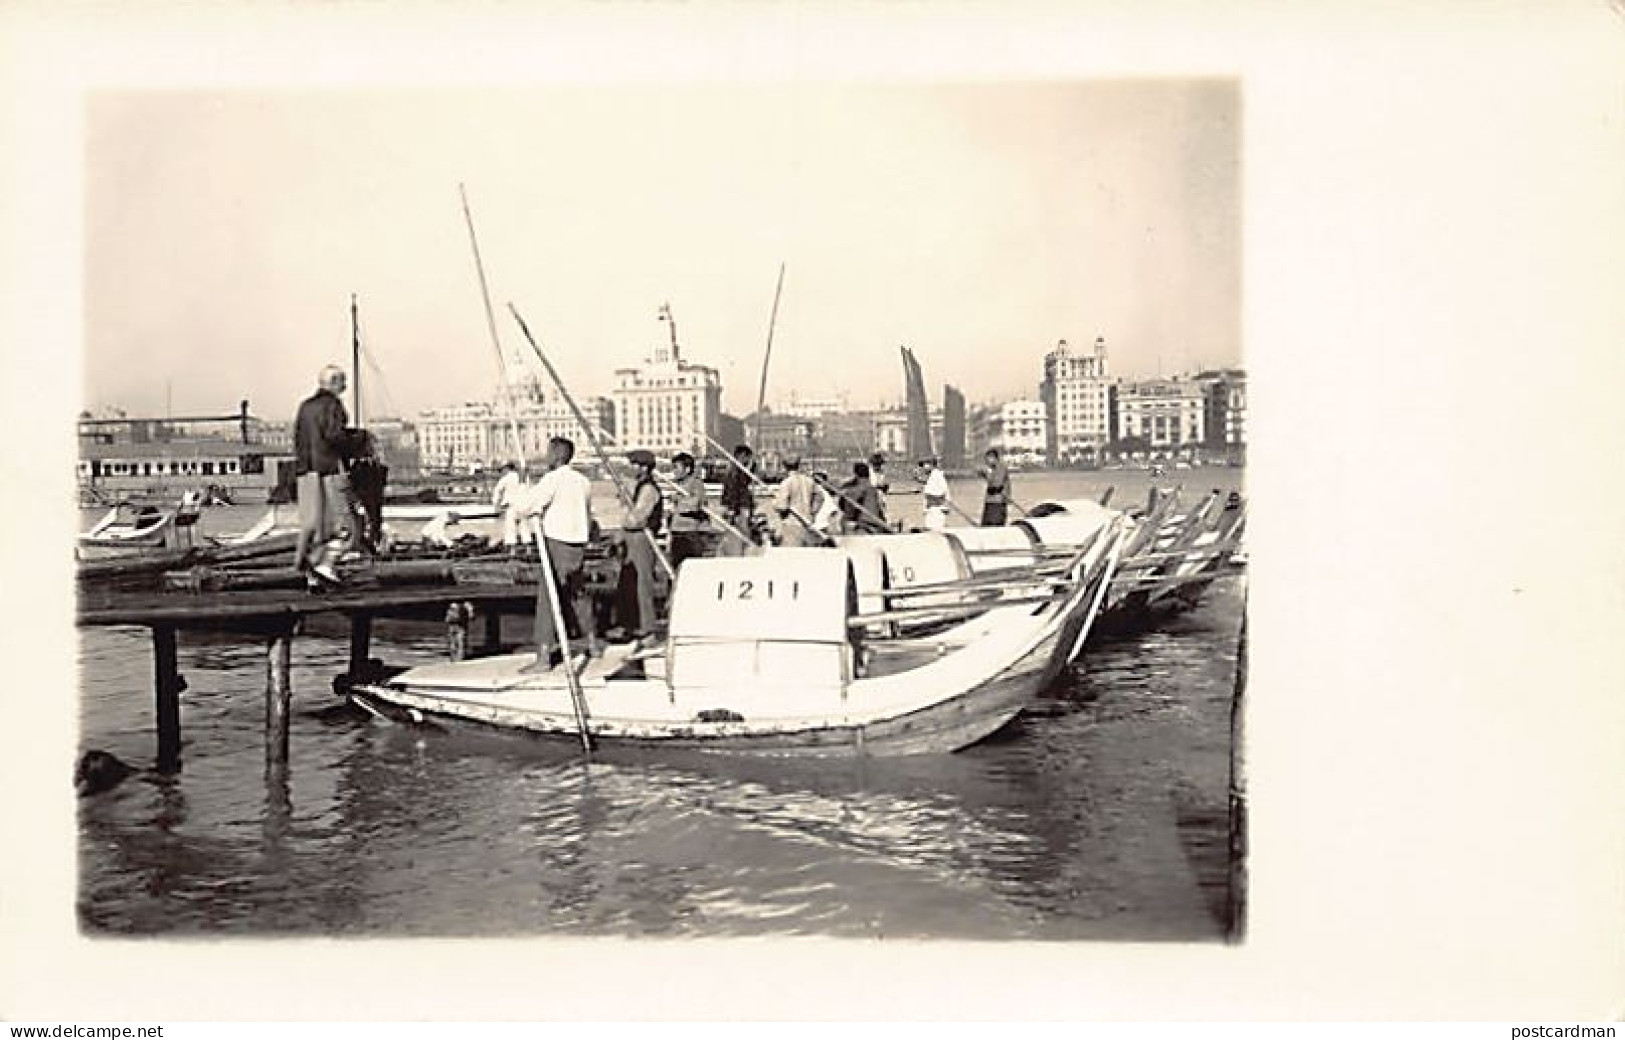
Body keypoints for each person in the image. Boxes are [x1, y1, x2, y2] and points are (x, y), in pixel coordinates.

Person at [518, 437, 598, 672]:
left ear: (557, 455)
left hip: (557, 543)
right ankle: (592, 642)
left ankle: (543, 656)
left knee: (549, 597)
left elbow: (526, 506)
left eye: (548, 452)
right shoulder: (583, 481)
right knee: (577, 594)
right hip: (577, 543)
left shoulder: (553, 479)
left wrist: (524, 486)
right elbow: (588, 514)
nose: (546, 456)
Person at [293, 365, 351, 589]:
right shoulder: (332, 405)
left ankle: (312, 575)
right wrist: (357, 440)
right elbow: (334, 436)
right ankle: (326, 565)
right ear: (334, 382)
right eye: (342, 382)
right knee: (343, 523)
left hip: (305, 472)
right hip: (329, 470)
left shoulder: (305, 407)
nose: (345, 387)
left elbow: (298, 440)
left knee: (313, 525)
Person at [621, 449, 665, 645]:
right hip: (633, 539)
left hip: (643, 538)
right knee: (628, 582)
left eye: (635, 464)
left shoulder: (649, 489)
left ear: (644, 467)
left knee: (642, 585)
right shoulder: (639, 487)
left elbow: (637, 518)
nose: (631, 468)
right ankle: (632, 625)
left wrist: (625, 519)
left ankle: (649, 630)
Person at [667, 451, 710, 570]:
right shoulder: (678, 485)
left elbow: (696, 504)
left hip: (690, 533)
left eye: (676, 467)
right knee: (676, 567)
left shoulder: (696, 484)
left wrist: (678, 502)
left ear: (687, 469)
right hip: (677, 532)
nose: (674, 471)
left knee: (691, 568)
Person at [773, 454, 821, 547]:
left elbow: (782, 506)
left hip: (792, 524)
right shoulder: (809, 481)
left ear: (784, 466)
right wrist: (813, 511)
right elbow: (820, 497)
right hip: (808, 522)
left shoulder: (786, 483)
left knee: (792, 555)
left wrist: (775, 503)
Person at [719, 443, 757, 556]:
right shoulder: (736, 473)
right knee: (740, 537)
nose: (749, 461)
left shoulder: (735, 471)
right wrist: (732, 510)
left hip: (738, 509)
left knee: (738, 537)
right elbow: (733, 492)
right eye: (748, 458)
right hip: (739, 510)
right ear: (742, 456)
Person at [839, 461, 888, 534]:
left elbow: (847, 511)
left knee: (846, 523)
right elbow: (882, 511)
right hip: (879, 526)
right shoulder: (876, 490)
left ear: (856, 475)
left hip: (863, 526)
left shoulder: (853, 490)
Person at [491, 460, 524, 554]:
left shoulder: (506, 478)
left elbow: (497, 490)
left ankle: (512, 551)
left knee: (510, 527)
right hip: (522, 505)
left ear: (506, 468)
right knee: (524, 527)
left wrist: (496, 504)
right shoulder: (521, 477)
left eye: (502, 469)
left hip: (511, 505)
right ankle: (527, 548)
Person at [979, 448, 1010, 527]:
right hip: (991, 501)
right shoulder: (993, 469)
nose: (986, 462)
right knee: (986, 524)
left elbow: (996, 485)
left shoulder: (1000, 467)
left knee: (994, 524)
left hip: (997, 502)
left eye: (988, 459)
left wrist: (986, 475)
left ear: (994, 458)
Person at [917, 456, 950, 532]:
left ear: (931, 465)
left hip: (936, 510)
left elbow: (940, 494)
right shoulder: (933, 476)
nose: (922, 468)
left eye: (923, 466)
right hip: (933, 510)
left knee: (934, 532)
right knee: (931, 531)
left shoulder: (936, 476)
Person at [810, 469, 842, 537]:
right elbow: (833, 513)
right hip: (823, 526)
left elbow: (814, 508)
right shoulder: (825, 494)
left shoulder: (817, 491)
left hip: (817, 527)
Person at [868, 452, 891, 527]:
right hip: (872, 495)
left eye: (880, 464)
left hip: (881, 495)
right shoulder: (869, 472)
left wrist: (885, 487)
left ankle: (886, 524)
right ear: (872, 464)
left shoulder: (882, 472)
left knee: (883, 509)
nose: (878, 466)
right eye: (876, 464)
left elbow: (884, 484)